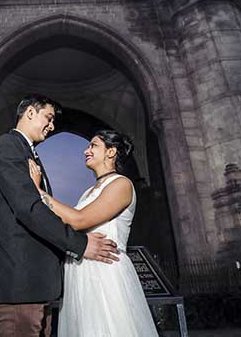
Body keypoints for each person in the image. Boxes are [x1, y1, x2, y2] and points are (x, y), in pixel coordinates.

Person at [0, 94, 120, 337]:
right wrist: (80, 244)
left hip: (36, 284)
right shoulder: (8, 146)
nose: (52, 125)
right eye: (48, 117)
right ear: (30, 113)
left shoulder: (29, 153)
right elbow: (29, 209)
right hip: (21, 282)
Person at [29, 129, 159, 336]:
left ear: (111, 152)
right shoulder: (88, 192)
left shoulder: (121, 184)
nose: (86, 151)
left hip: (104, 272)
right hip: (80, 274)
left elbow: (78, 220)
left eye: (93, 145)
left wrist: (38, 192)